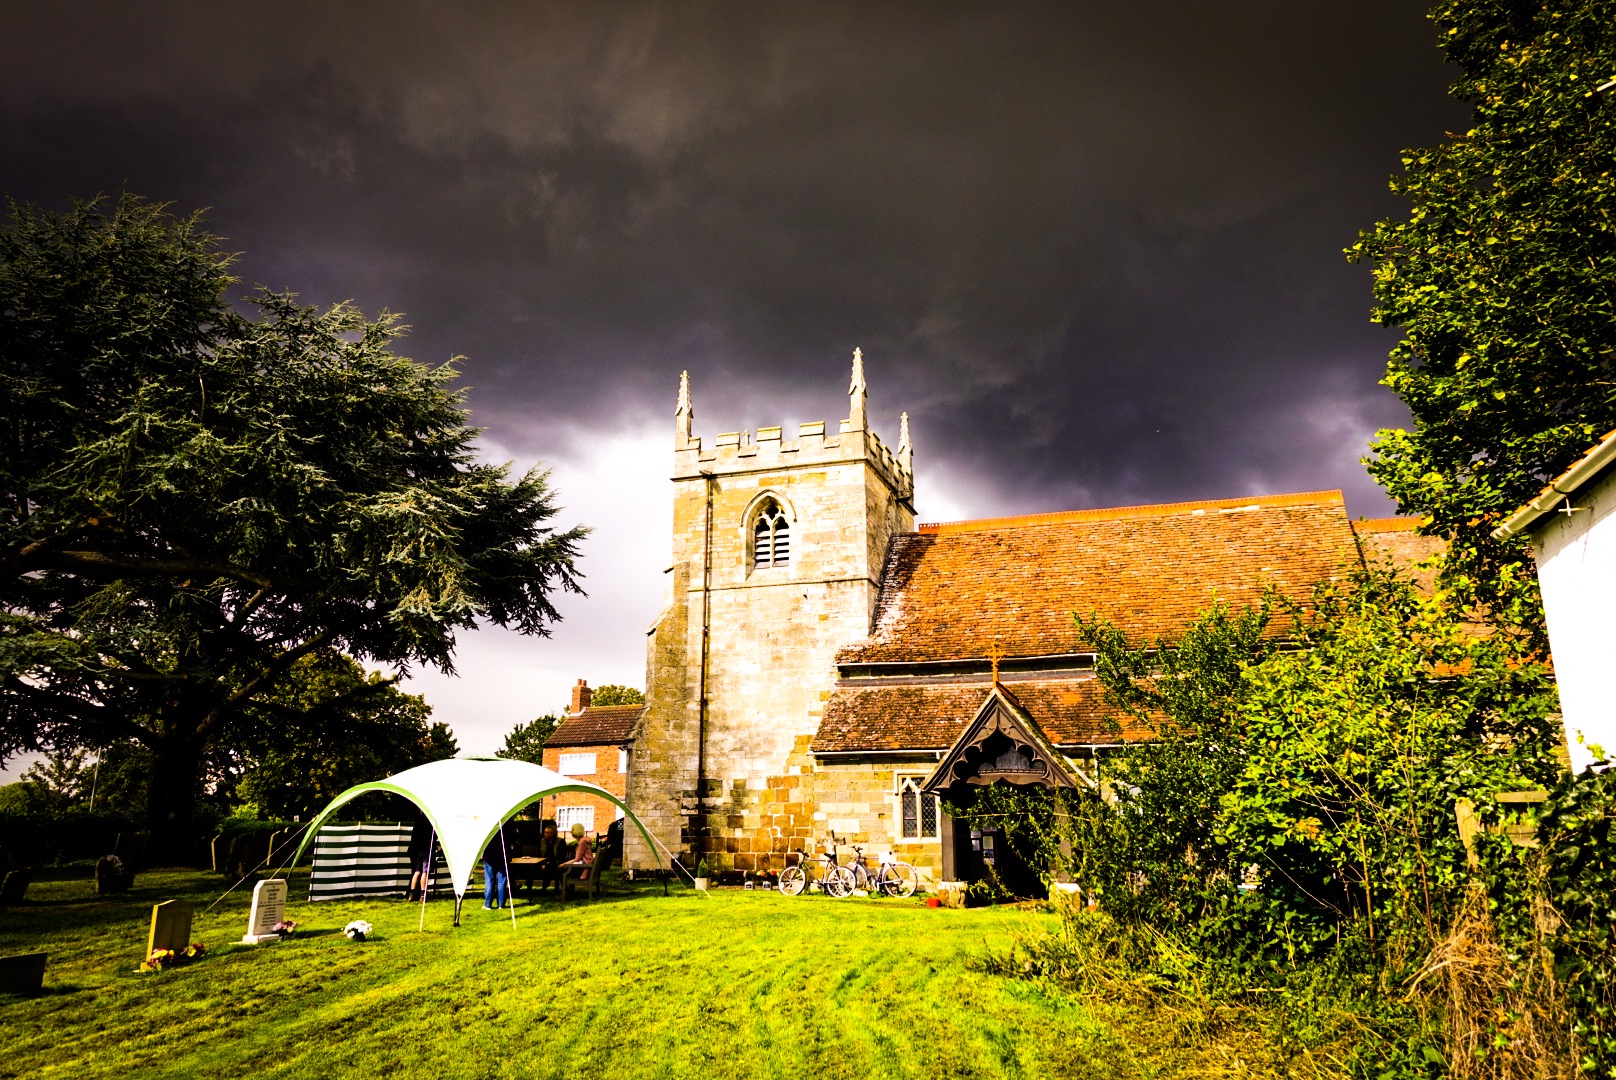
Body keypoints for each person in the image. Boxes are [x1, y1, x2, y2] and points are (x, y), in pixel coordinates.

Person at [530, 821, 567, 894]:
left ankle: (544, 887)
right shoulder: (542, 841)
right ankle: (529, 888)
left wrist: (548, 863)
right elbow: (539, 855)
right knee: (531, 867)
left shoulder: (560, 842)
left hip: (556, 863)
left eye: (546, 832)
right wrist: (542, 863)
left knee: (549, 866)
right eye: (544, 832)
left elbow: (561, 856)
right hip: (543, 863)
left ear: (552, 834)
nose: (544, 834)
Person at [481, 830, 511, 910]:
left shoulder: (489, 824)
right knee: (502, 881)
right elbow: (513, 838)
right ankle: (501, 904)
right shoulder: (508, 822)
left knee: (489, 880)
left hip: (490, 855)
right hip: (503, 855)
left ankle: (488, 904)